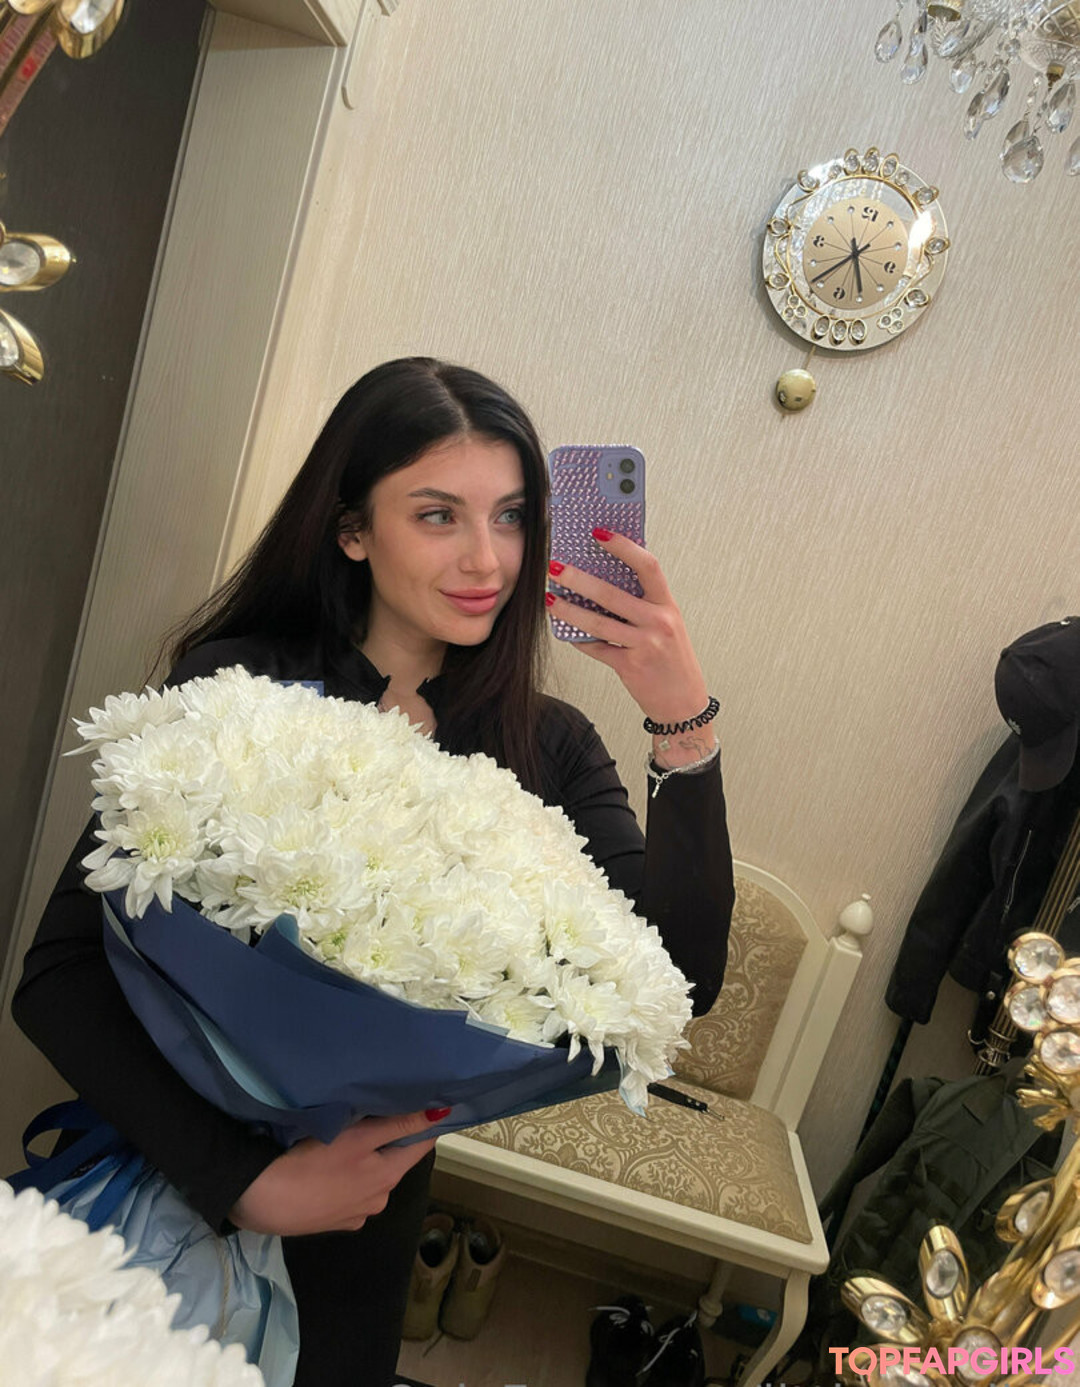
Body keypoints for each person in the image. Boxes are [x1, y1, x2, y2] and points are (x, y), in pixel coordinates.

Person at [13, 357, 735, 1387]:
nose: (487, 558)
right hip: (168, 1164)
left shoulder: (550, 746)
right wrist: (248, 1179)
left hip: (362, 1222)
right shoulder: (240, 683)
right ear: (353, 529)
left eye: (513, 517)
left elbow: (681, 981)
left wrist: (681, 724)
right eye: (438, 515)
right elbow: (59, 973)